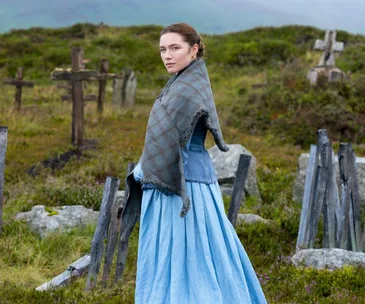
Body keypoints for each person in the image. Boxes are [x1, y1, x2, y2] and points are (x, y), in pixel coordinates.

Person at [120, 23, 267, 304]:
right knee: (203, 253)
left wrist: (142, 172)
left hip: (181, 188)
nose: (167, 55)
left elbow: (172, 142)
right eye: (163, 49)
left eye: (175, 48)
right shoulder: (187, 80)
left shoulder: (185, 90)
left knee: (185, 256)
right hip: (189, 184)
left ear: (194, 49)